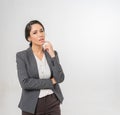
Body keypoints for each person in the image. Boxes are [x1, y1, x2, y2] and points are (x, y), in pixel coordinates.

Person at [16, 20, 65, 115]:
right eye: (35, 32)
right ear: (29, 38)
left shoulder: (52, 53)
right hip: (31, 104)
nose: (40, 34)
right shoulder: (22, 56)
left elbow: (60, 78)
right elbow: (25, 83)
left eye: (41, 31)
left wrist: (52, 55)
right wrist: (51, 82)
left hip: (53, 101)